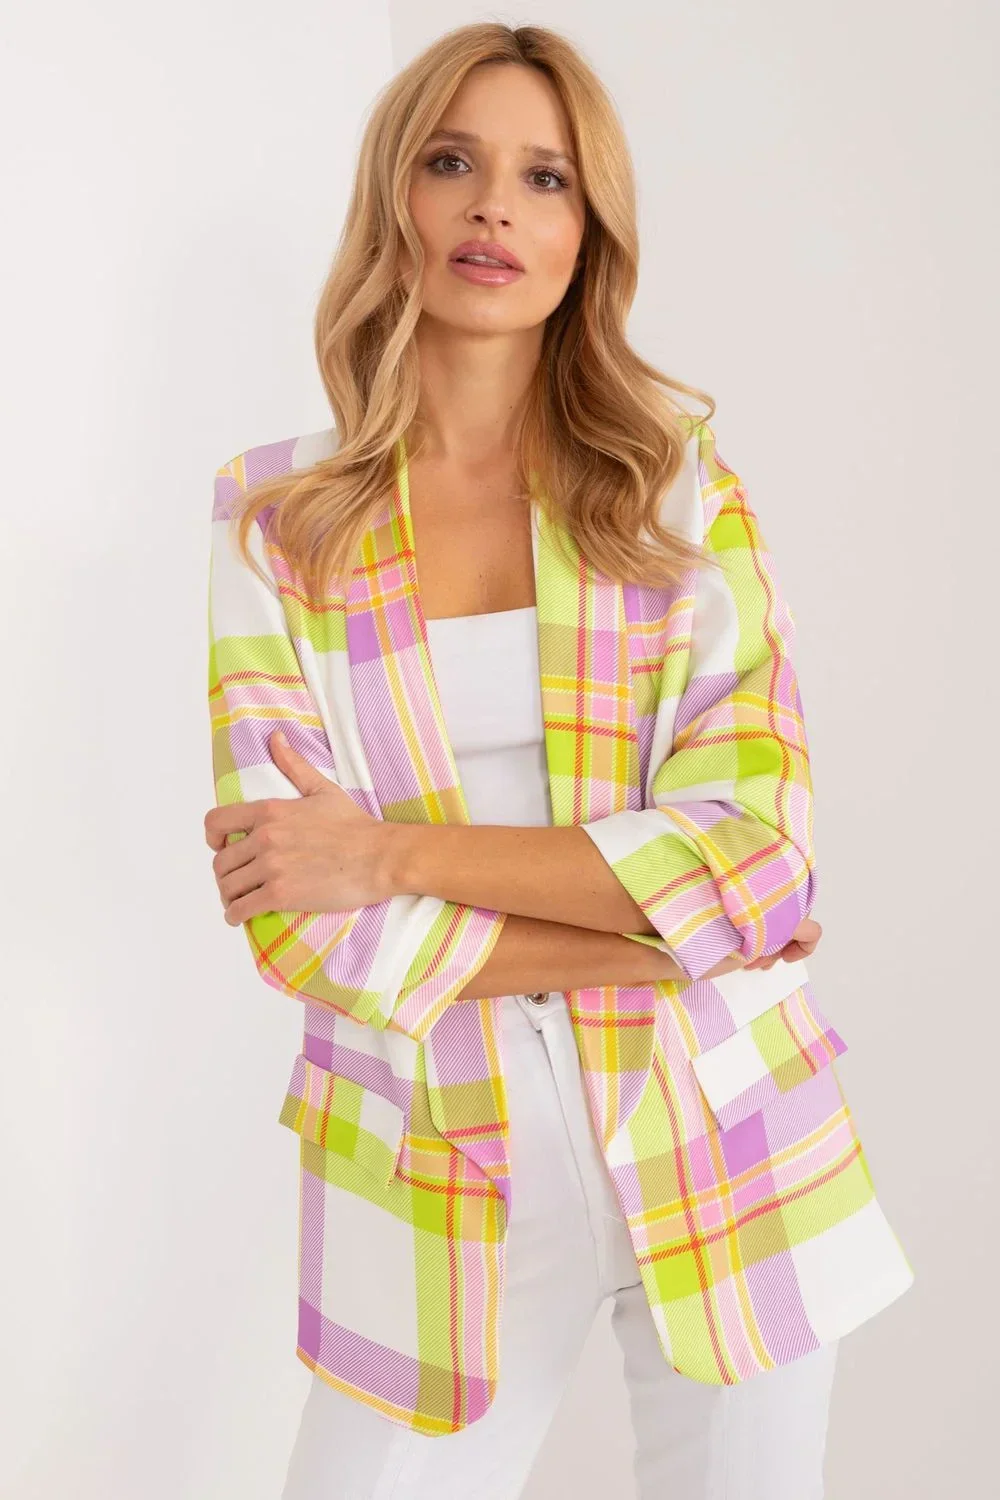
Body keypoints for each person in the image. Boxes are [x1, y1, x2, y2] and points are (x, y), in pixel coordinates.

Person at [204, 22, 913, 1500]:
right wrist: (668, 938)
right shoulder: (275, 520)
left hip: (726, 1135)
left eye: (547, 179)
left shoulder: (674, 485)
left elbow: (761, 858)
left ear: (590, 233)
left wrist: (390, 854)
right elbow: (300, 916)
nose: (494, 208)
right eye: (451, 162)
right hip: (432, 1160)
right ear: (393, 195)